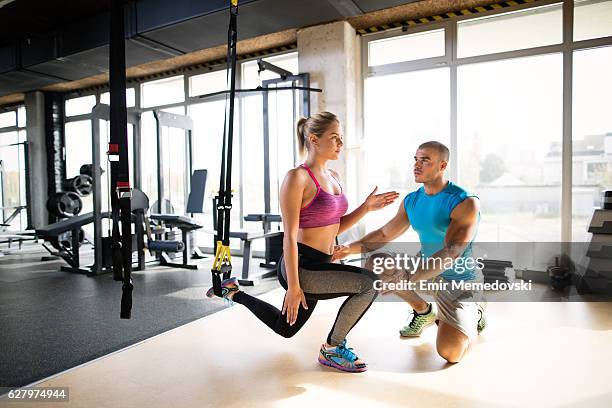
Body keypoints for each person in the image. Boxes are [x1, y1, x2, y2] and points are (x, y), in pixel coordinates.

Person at [207, 111, 399, 372]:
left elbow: (333, 226)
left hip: (321, 263)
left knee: (285, 328)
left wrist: (366, 207)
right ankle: (333, 348)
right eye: (334, 138)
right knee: (369, 284)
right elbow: (289, 235)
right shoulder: (297, 178)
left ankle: (232, 292)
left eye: (341, 138)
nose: (340, 144)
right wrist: (294, 287)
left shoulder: (333, 177)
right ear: (314, 139)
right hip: (301, 265)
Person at [333, 141, 485, 364]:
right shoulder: (412, 200)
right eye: (416, 159)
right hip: (426, 270)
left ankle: (475, 312)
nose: (417, 165)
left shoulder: (465, 202)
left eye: (425, 160)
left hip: (458, 279)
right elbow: (384, 234)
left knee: (450, 352)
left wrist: (407, 277)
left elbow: (452, 252)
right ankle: (424, 312)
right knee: (376, 263)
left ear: (442, 166)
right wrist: (348, 249)